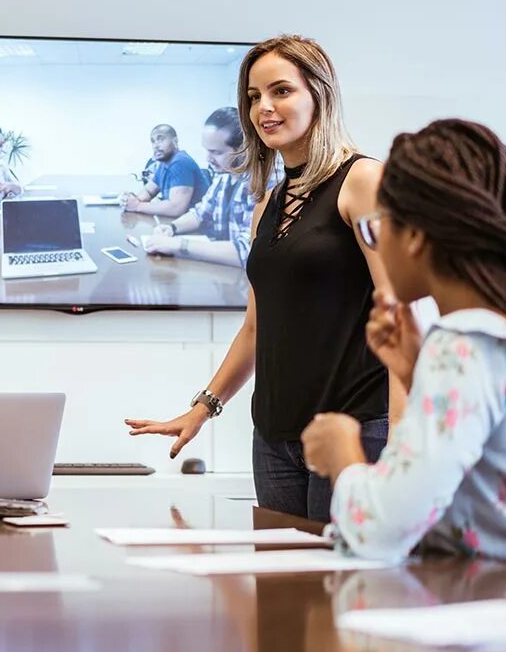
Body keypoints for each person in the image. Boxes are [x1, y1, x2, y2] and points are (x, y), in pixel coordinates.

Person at [301, 119, 506, 564]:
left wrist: (344, 455)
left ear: (415, 237)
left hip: (495, 610)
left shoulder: (462, 349)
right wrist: (415, 370)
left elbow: (383, 529)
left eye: (376, 227)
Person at [125, 35, 402, 522]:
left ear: (320, 94)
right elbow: (257, 328)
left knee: (339, 590)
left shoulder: (362, 182)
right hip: (274, 440)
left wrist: (406, 441)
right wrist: (202, 407)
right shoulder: (267, 207)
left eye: (281, 91)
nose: (263, 108)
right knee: (283, 594)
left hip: (354, 430)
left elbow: (402, 316)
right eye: (253, 97)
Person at [143, 107, 282, 267]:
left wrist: (178, 245)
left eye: (216, 152)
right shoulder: (225, 173)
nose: (208, 159)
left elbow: (248, 251)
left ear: (244, 149)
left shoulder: (267, 179)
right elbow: (201, 214)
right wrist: (171, 228)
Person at [122, 124, 208, 218]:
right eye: (153, 141)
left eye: (161, 139)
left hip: (196, 228)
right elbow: (149, 191)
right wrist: (132, 200)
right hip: (178, 222)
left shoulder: (181, 162)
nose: (156, 146)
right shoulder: (164, 164)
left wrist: (137, 206)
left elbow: (176, 208)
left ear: (175, 141)